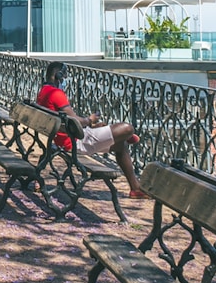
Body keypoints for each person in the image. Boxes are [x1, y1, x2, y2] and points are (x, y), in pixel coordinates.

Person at [36, 61, 148, 199]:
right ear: (58, 76)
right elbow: (75, 121)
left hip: (64, 138)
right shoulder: (56, 93)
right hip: (75, 142)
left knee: (121, 145)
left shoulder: (44, 91)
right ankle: (124, 137)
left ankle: (135, 188)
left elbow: (70, 121)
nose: (65, 80)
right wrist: (90, 120)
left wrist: (90, 126)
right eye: (64, 76)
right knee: (127, 128)